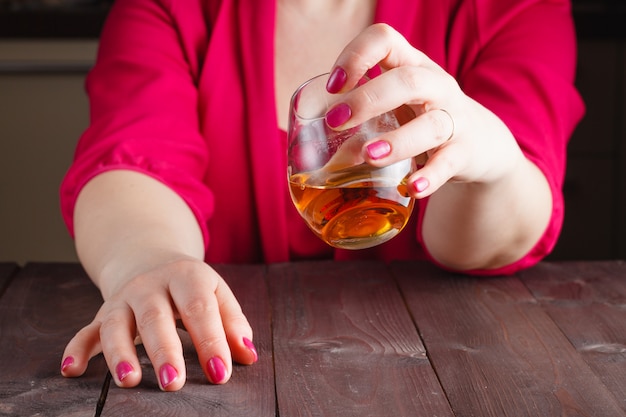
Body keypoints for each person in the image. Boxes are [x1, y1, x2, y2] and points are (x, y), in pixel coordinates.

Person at [58, 0, 584, 391]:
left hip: (457, 377)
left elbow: (496, 224)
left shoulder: (511, 7)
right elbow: (132, 157)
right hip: (228, 384)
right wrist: (150, 261)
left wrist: (492, 163)